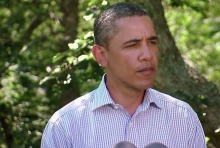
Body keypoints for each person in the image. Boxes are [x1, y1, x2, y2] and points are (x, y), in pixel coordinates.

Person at [41, 2, 206, 148]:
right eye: (133, 45)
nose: (147, 55)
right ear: (101, 55)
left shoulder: (183, 118)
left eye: (152, 42)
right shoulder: (65, 126)